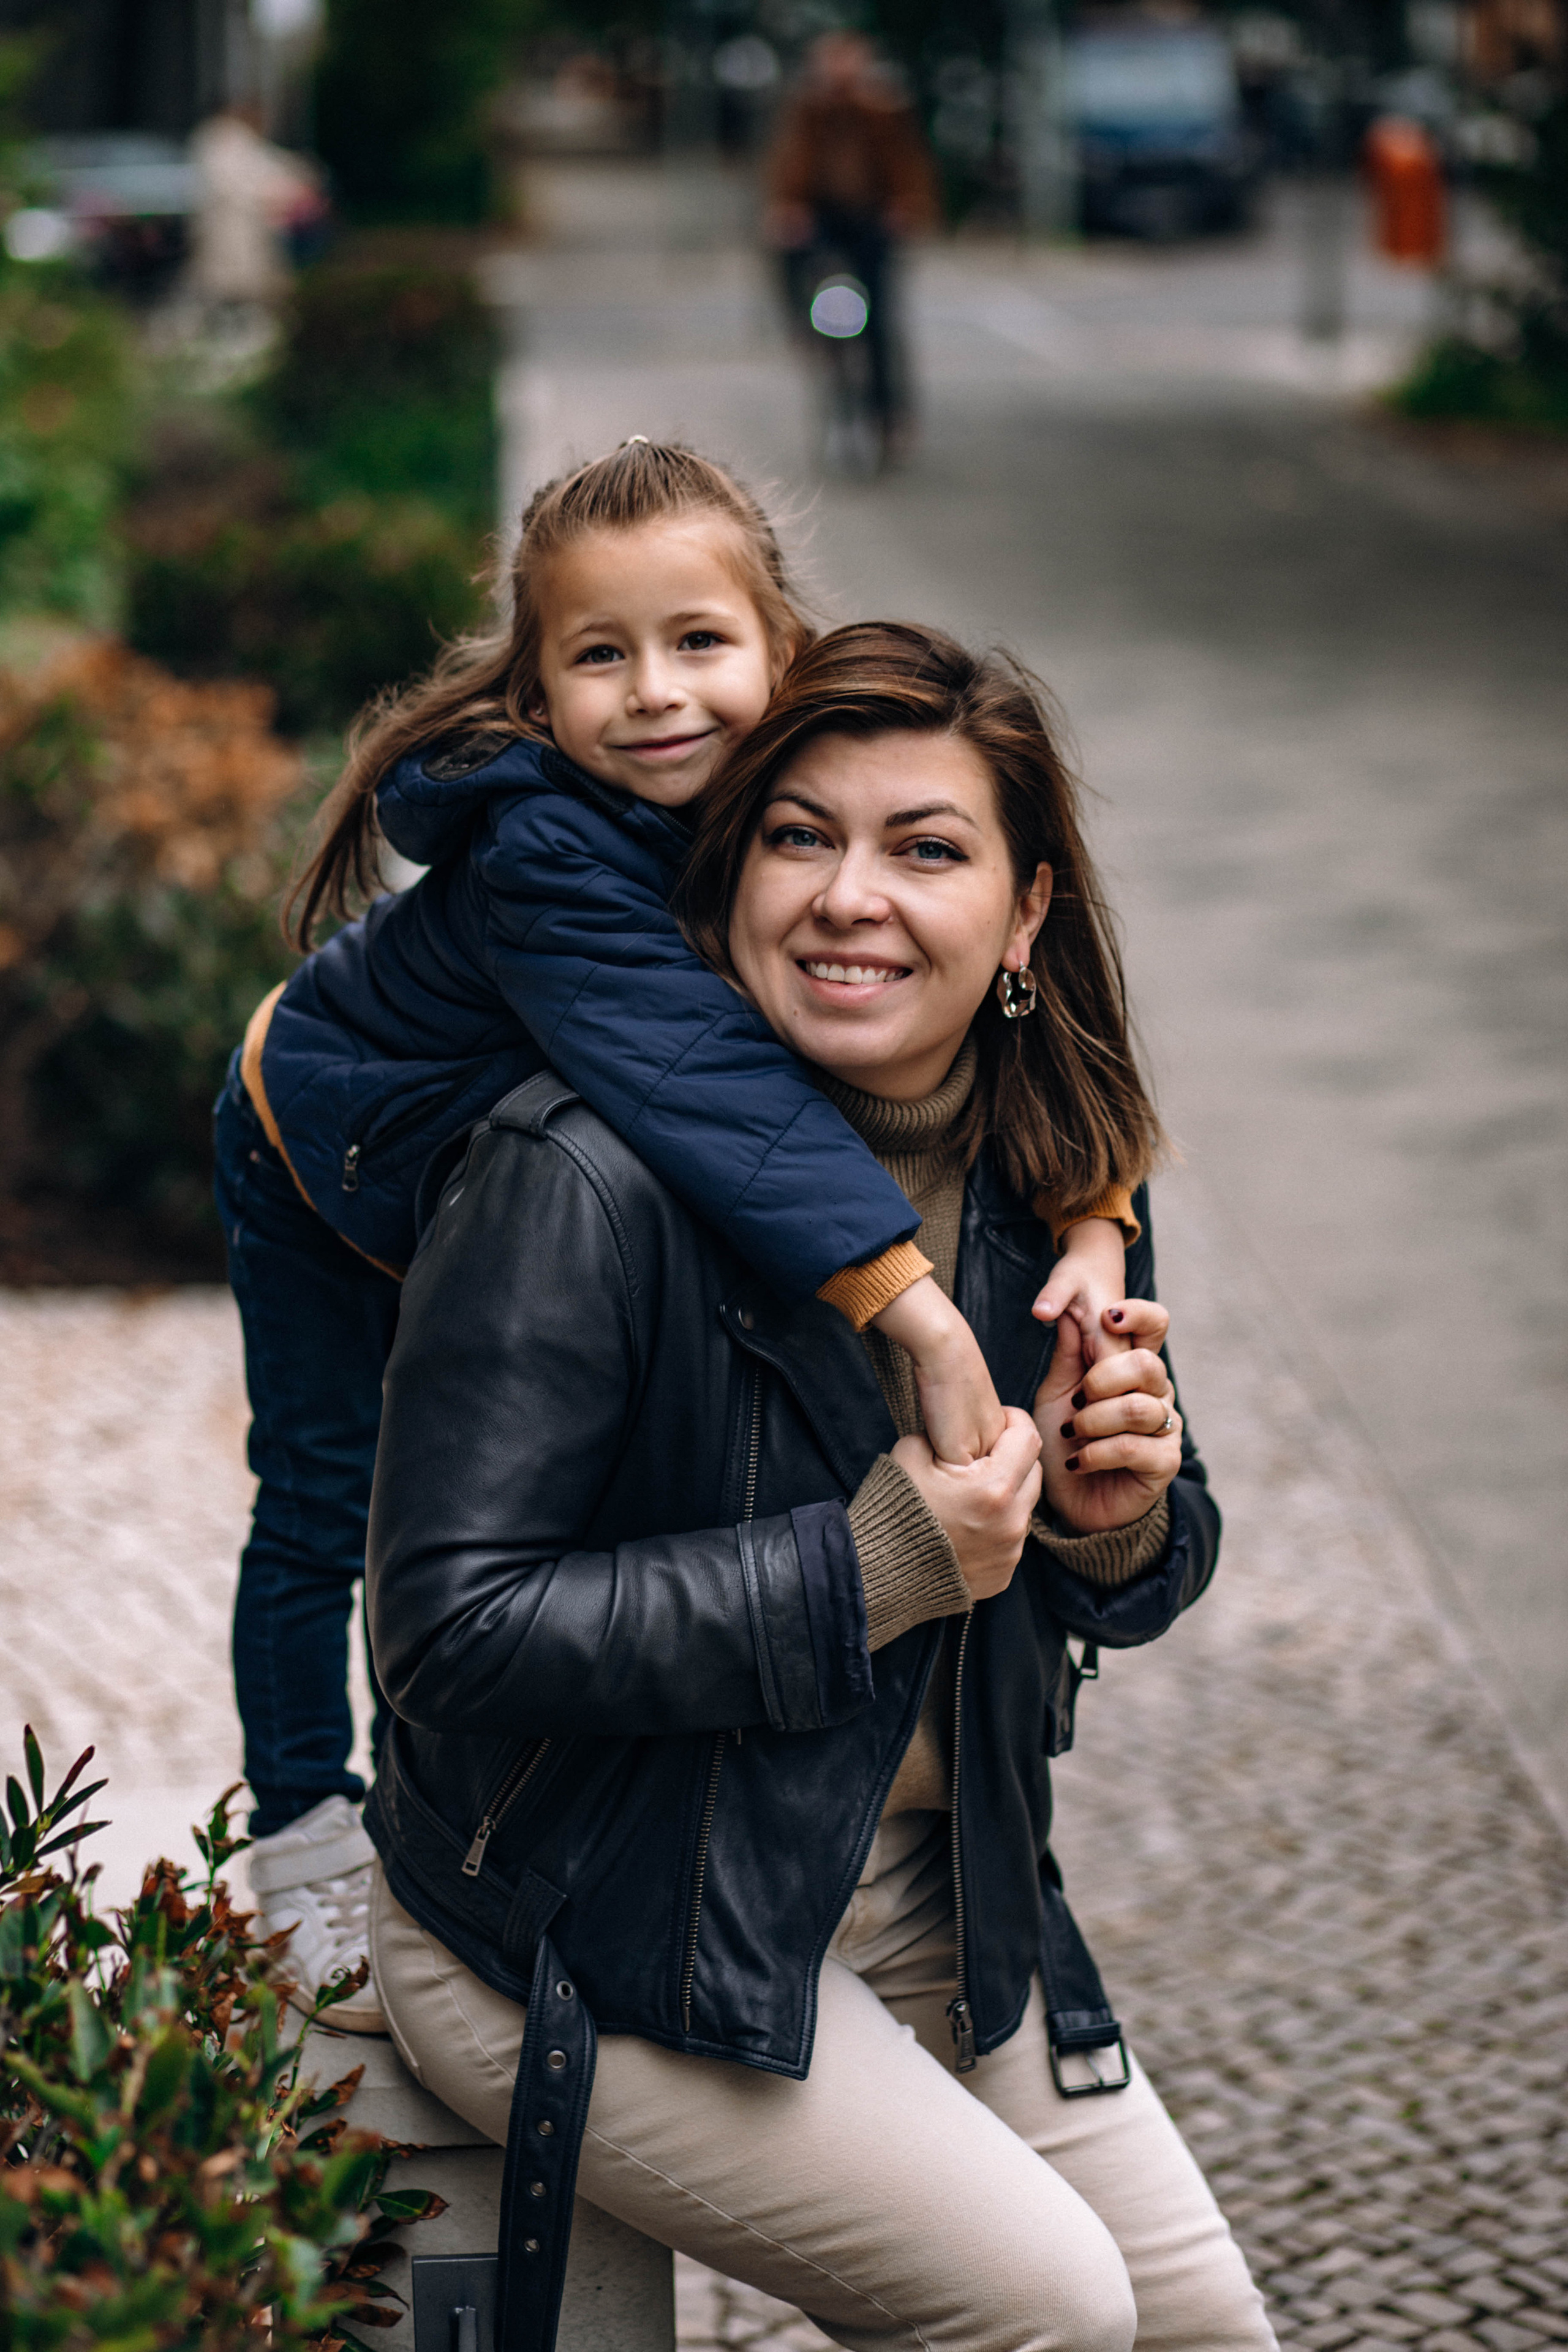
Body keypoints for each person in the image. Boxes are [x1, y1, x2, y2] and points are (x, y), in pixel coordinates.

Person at [362, 620, 1276, 2352]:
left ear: (1025, 915)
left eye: (925, 849)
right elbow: (448, 1632)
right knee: (1053, 2309)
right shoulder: (577, 1175)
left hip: (933, 1892)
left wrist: (1114, 1518)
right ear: (728, 876)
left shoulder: (1049, 1175)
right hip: (586, 1911)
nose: (850, 897)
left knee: (1203, 2332)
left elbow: (1145, 1566)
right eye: (799, 836)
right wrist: (869, 1566)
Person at [216, 443, 1134, 2030]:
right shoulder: (543, 850)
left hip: (484, 1145)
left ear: (780, 648)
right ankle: (304, 1838)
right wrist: (915, 1309)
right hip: (320, 1137)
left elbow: (1036, 1038)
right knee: (322, 1496)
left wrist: (1096, 1215)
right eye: (599, 655)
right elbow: (709, 1085)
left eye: (697, 641)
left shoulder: (780, 793)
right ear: (532, 692)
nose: (656, 693)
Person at [763, 33, 939, 461]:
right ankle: (808, 338)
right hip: (823, 218)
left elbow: (907, 164)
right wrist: (788, 210)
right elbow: (787, 164)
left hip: (870, 218)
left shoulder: (883, 109)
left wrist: (906, 206)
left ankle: (886, 413)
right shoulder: (808, 110)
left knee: (879, 322)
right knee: (798, 273)